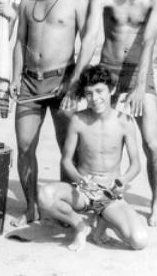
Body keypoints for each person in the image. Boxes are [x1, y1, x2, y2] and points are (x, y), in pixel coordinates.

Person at [63, 0, 157, 226]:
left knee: (150, 141)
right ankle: (101, 200)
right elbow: (91, 38)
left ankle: (156, 203)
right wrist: (75, 83)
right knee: (104, 139)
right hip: (108, 71)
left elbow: (149, 40)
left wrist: (139, 85)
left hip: (139, 71)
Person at [10, 0, 89, 226]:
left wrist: (76, 83)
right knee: (24, 146)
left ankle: (66, 210)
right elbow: (19, 42)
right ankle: (31, 206)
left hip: (63, 81)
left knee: (67, 148)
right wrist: (16, 76)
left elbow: (89, 43)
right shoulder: (28, 0)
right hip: (30, 82)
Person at [38, 65, 148, 252]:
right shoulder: (78, 120)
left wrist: (122, 182)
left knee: (139, 241)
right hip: (83, 192)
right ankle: (80, 225)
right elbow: (66, 160)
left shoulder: (124, 122)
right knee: (45, 195)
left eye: (99, 91)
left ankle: (105, 221)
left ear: (111, 90)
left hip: (110, 195)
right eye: (89, 93)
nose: (95, 98)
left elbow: (136, 165)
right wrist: (80, 180)